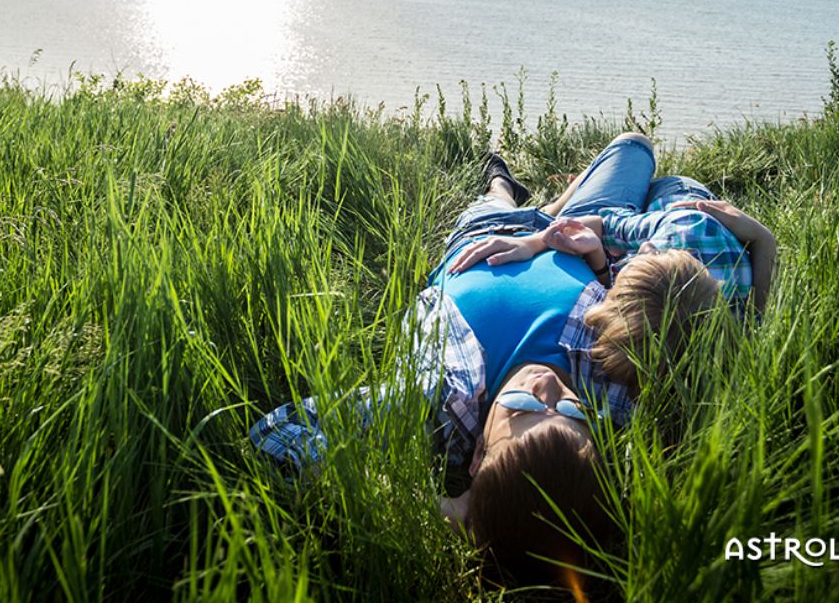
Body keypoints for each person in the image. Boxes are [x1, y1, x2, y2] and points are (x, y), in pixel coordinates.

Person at [249, 132, 775, 584]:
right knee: (636, 149)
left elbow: (277, 433)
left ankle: (505, 185)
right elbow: (723, 344)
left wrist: (438, 509)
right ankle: (559, 204)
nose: (548, 389)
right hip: (581, 234)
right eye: (569, 412)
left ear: (477, 455)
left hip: (486, 234)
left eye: (524, 407)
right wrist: (565, 244)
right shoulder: (619, 388)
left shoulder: (439, 398)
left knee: (498, 194)